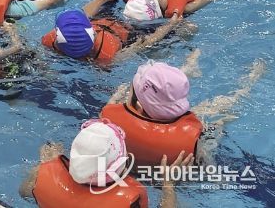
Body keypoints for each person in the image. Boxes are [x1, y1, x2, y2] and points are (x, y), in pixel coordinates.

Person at [102, 56, 265, 168]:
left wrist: (113, 103)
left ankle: (189, 69)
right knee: (218, 117)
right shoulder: (193, 142)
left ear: (139, 105)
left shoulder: (108, 120)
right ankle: (247, 87)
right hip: (198, 147)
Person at [19, 118, 191, 208]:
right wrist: (168, 185)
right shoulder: (130, 200)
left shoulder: (42, 173)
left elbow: (24, 193)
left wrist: (45, 166)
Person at [41, 0, 183, 65]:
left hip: (105, 21)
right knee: (184, 27)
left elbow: (84, 14)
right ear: (93, 32)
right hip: (129, 33)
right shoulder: (108, 56)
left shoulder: (54, 40)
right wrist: (170, 25)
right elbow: (144, 43)